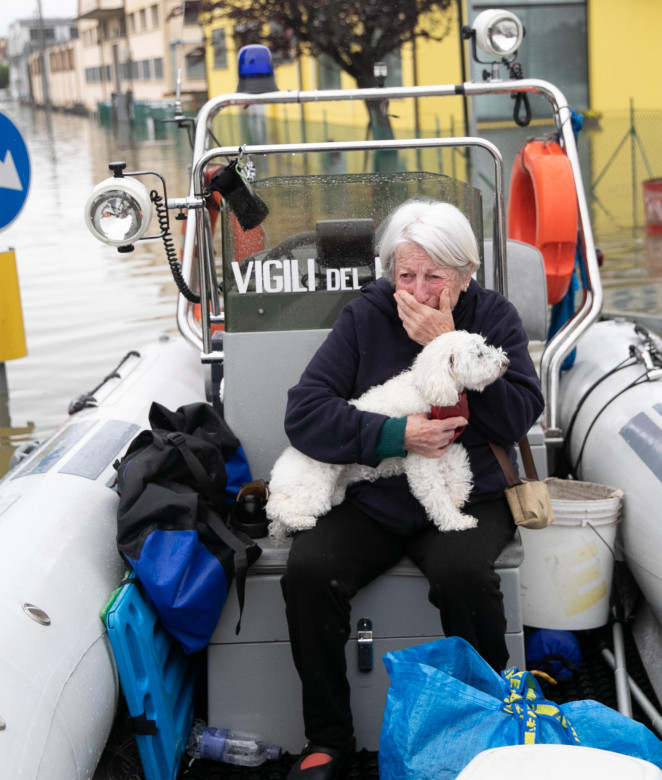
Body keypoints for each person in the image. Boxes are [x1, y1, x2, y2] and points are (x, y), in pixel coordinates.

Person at [279, 197, 545, 779]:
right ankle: (328, 740)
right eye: (405, 275)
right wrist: (394, 434)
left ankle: (490, 732)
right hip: (375, 498)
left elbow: (515, 418)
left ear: (466, 275)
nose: (418, 292)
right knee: (308, 573)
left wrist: (446, 340)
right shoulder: (366, 314)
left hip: (463, 492)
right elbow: (305, 415)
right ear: (389, 271)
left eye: (434, 278)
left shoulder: (493, 316)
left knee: (465, 577)